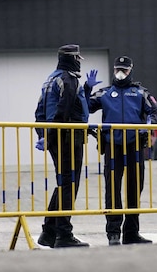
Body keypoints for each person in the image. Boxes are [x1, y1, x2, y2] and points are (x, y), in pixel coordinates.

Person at [86, 55, 157, 246]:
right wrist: (87, 88)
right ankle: (113, 233)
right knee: (113, 191)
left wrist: (148, 126)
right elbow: (83, 107)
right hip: (113, 146)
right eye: (117, 69)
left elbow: (155, 111)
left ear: (130, 71)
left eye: (124, 70)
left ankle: (131, 232)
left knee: (134, 190)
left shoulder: (139, 92)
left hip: (135, 145)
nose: (120, 73)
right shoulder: (104, 93)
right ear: (113, 70)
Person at [33, 44, 96, 249]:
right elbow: (64, 110)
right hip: (68, 138)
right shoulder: (69, 79)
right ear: (73, 59)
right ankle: (64, 235)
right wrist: (51, 136)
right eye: (78, 58)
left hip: (57, 137)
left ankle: (49, 232)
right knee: (69, 185)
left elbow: (39, 112)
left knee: (63, 184)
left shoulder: (50, 79)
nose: (79, 62)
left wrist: (44, 135)